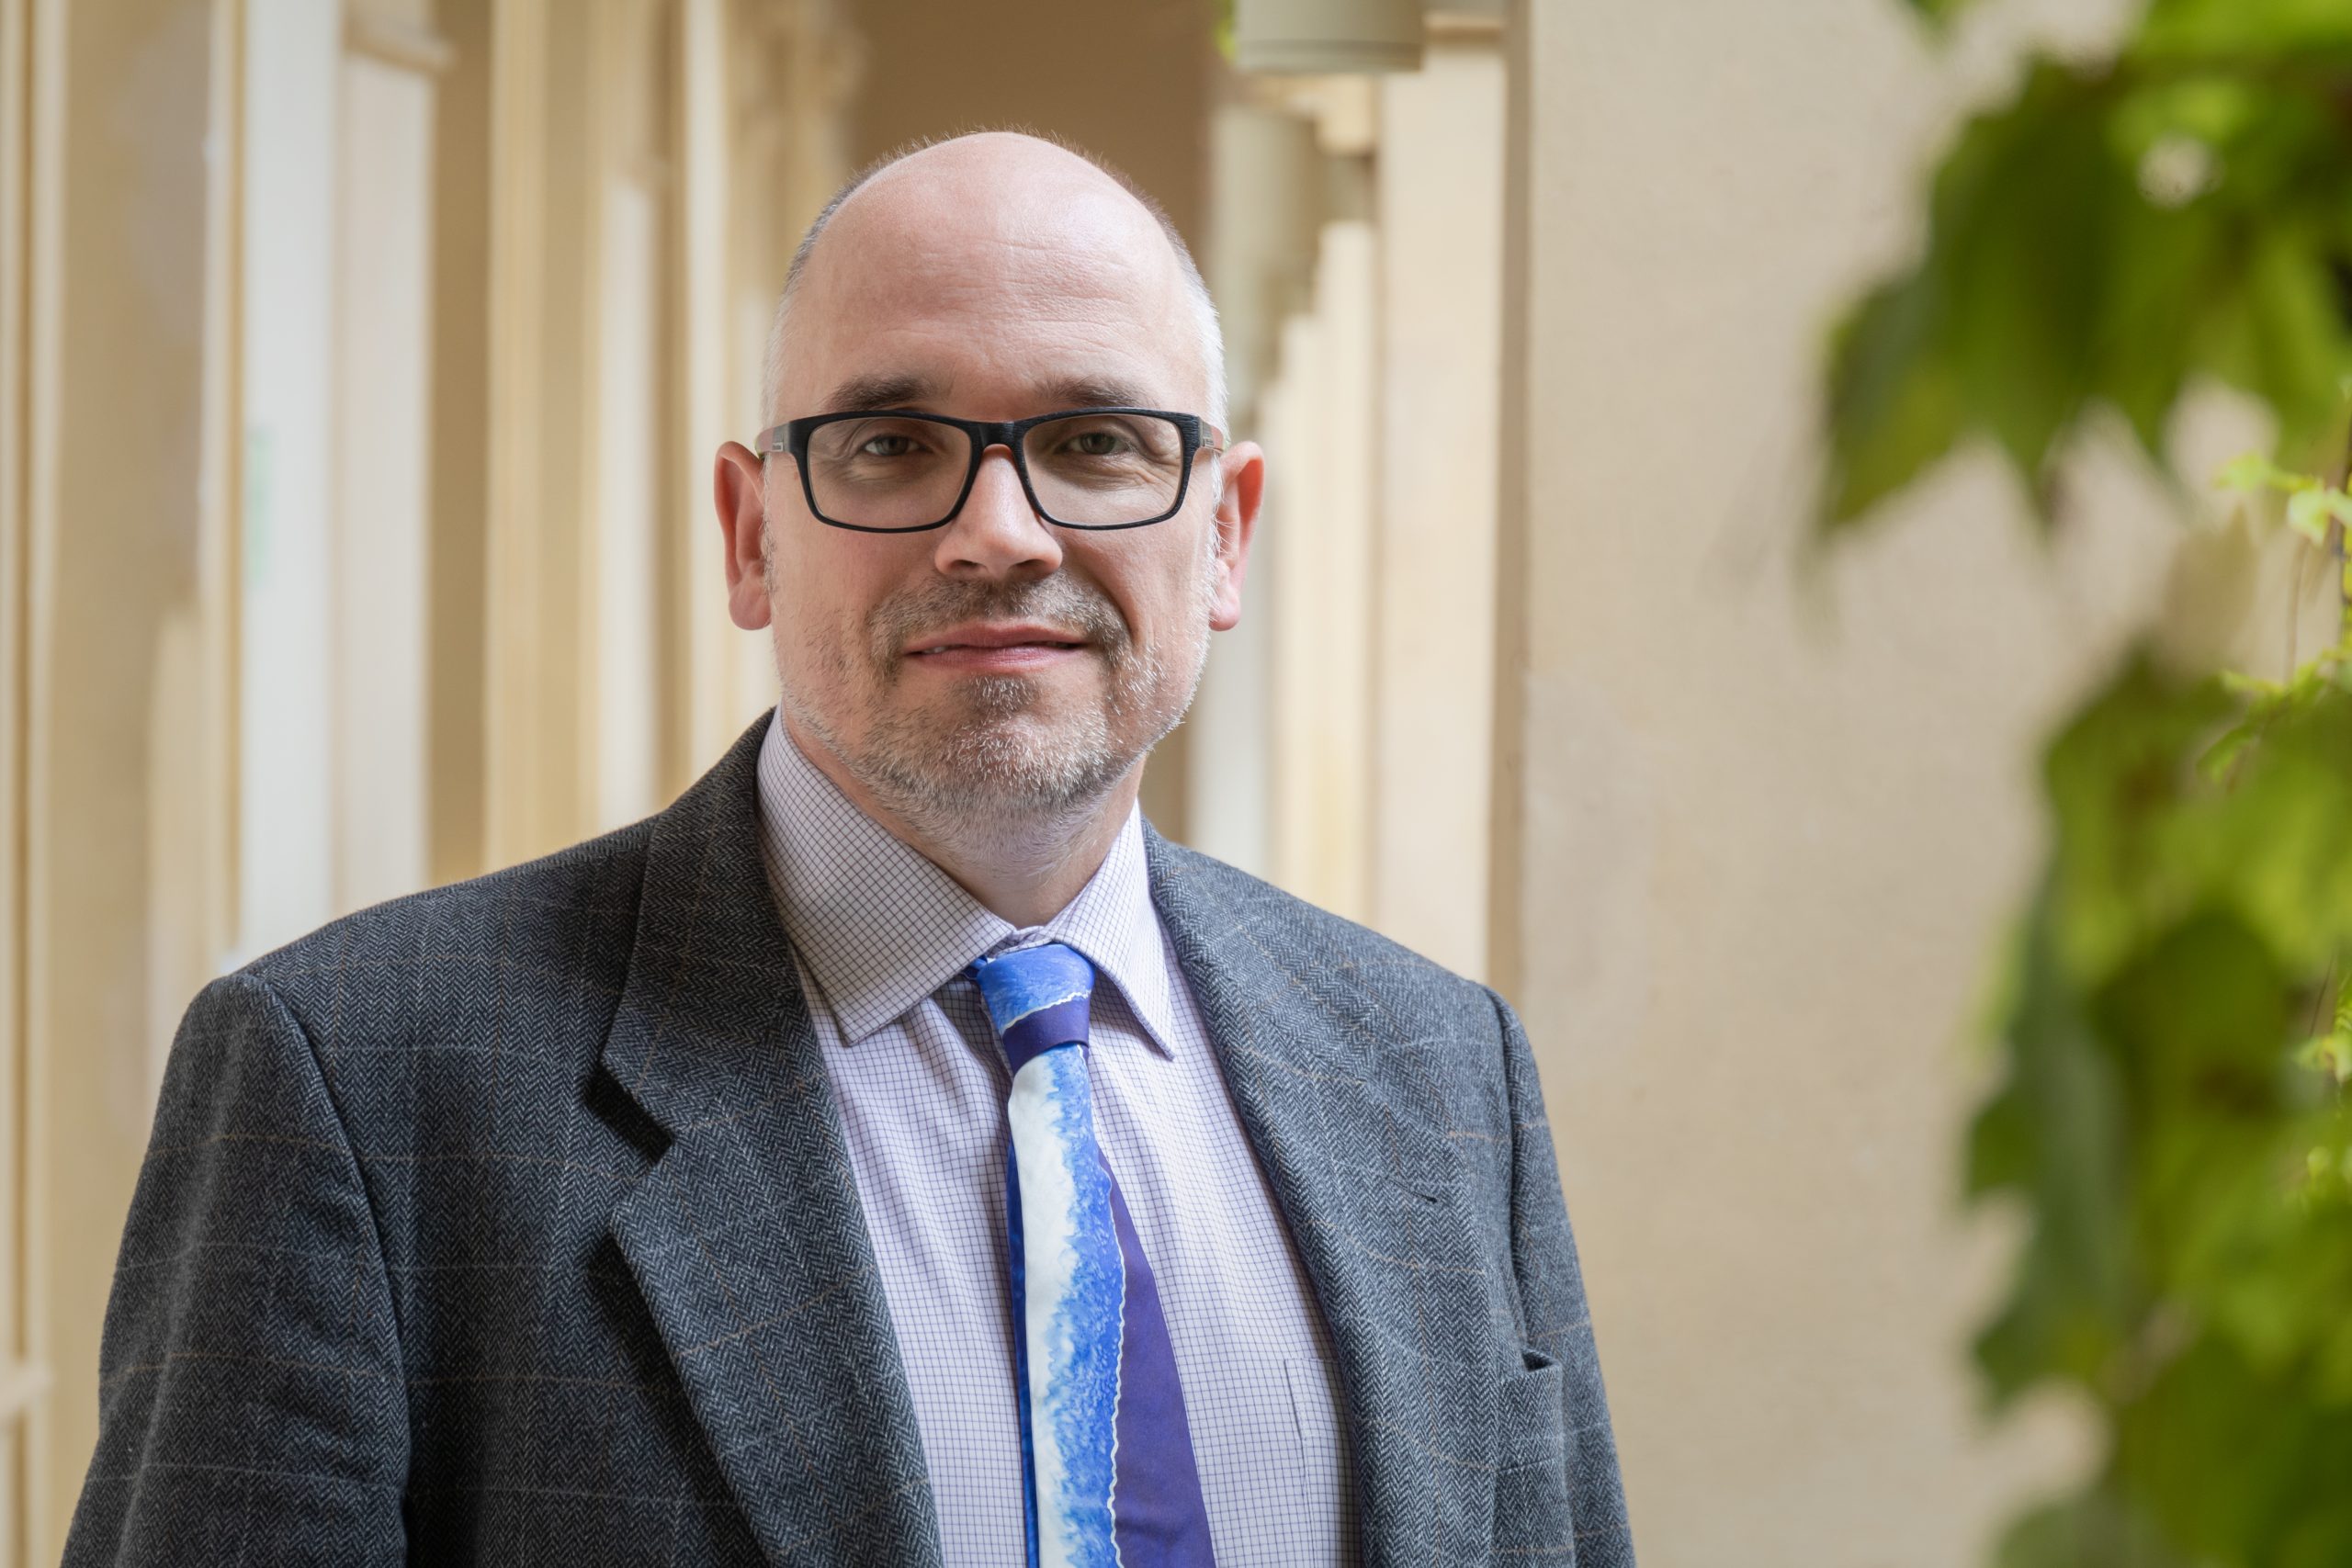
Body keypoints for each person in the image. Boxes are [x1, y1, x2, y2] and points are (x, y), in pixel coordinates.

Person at [65, 131, 1633, 1567]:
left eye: (1096, 439)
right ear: (753, 535)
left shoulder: (1443, 1076)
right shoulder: (358, 1086)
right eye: (891, 443)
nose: (1001, 532)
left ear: (1223, 534)